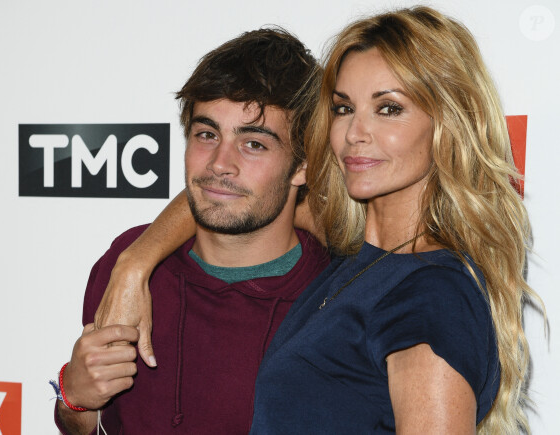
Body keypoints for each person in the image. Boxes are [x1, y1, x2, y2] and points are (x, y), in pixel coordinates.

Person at [95, 6, 539, 434]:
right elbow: (228, 195)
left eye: (388, 108)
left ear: (447, 124)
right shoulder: (359, 262)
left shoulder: (429, 293)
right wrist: (135, 261)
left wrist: (136, 260)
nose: (354, 133)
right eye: (344, 108)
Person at [53, 27, 329, 434]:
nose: (220, 163)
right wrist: (74, 399)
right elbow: (87, 425)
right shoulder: (127, 262)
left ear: (304, 165)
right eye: (207, 134)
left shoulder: (337, 294)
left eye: (254, 143)